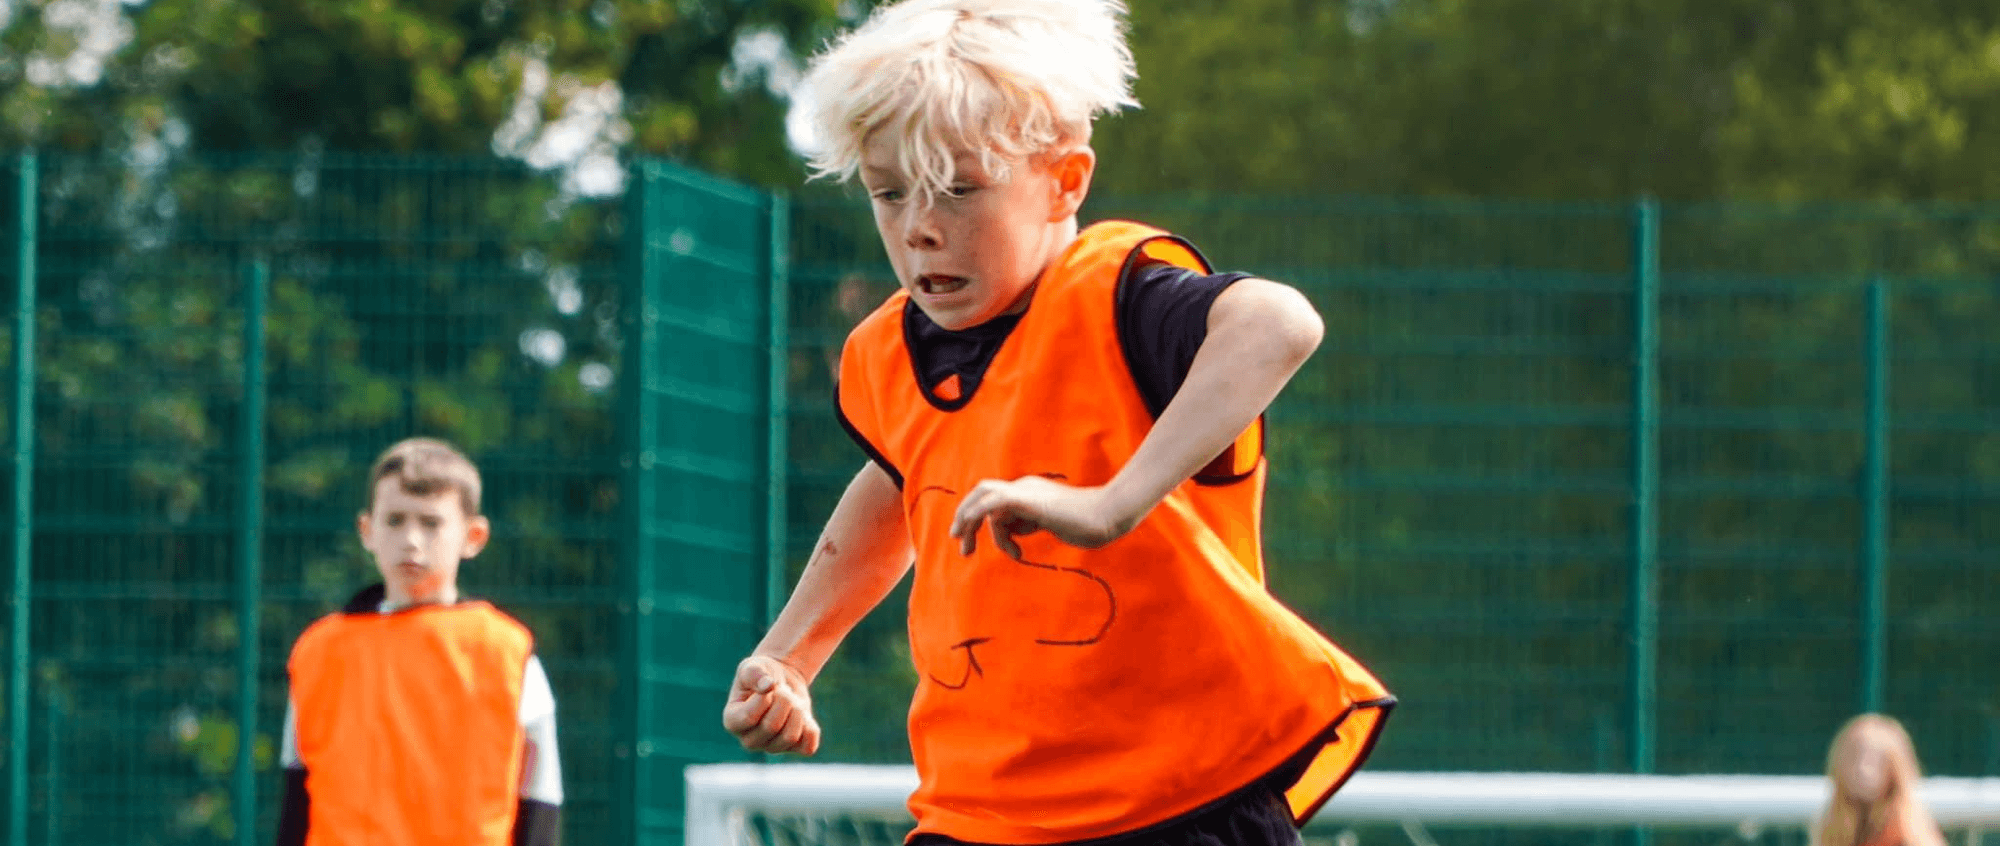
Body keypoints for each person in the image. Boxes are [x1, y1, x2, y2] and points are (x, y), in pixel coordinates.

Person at [720, 2, 1394, 844]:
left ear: (1065, 182)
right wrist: (789, 654)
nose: (919, 228)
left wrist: (1111, 503)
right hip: (983, 813)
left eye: (960, 189)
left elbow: (1280, 324)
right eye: (888, 194)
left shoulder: (1121, 297)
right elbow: (900, 485)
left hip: (1181, 801)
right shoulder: (886, 353)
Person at [275, 438, 563, 846]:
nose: (411, 539)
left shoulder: (506, 653)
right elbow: (295, 797)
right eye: (395, 520)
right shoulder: (319, 652)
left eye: (431, 523)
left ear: (474, 536)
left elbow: (541, 798)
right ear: (367, 530)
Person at [1814, 714, 1946, 846]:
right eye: (1854, 757)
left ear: (1895, 767)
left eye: (1873, 760)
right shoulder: (1833, 832)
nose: (1862, 768)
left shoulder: (1911, 837)